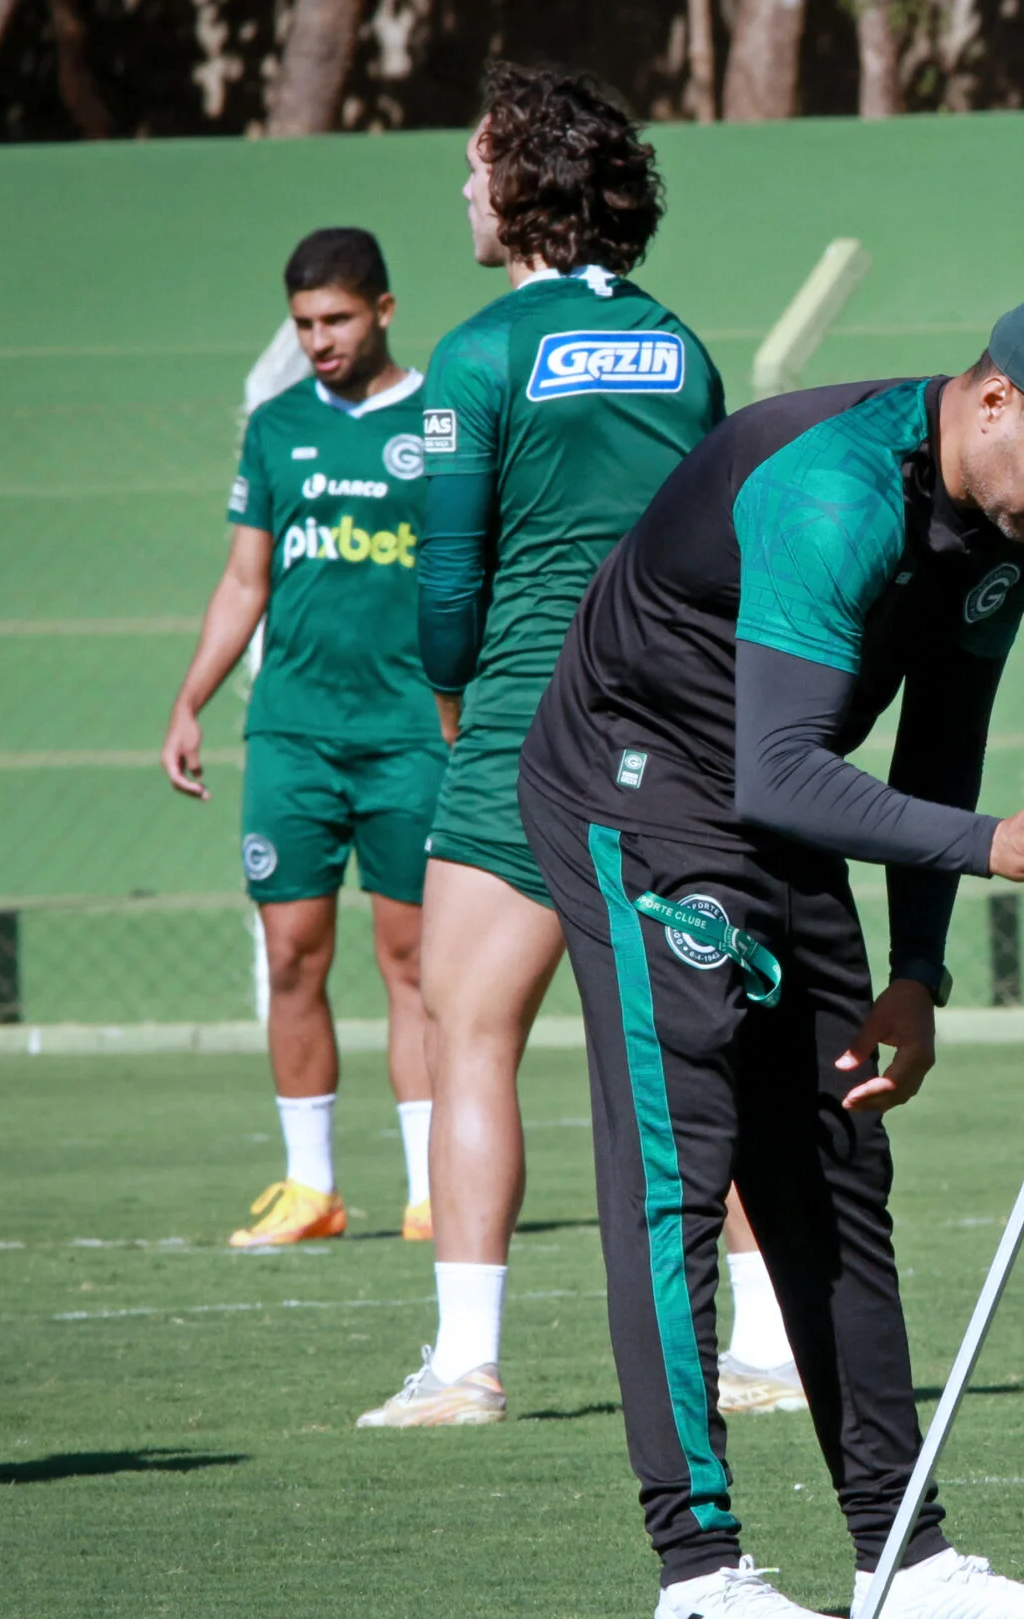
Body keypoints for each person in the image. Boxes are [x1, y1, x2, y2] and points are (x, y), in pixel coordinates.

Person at [515, 284, 1024, 1619]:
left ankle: (904, 1551)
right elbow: (774, 774)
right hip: (640, 796)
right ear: (996, 401)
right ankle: (697, 1575)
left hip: (784, 801)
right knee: (681, 1170)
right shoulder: (834, 494)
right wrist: (988, 846)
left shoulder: (1009, 517)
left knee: (835, 1159)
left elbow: (940, 738)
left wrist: (919, 970)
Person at [356, 65, 797, 1428]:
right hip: (679, 728)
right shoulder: (681, 346)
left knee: (465, 1026)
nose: (465, 191)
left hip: (524, 729)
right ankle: (772, 1351)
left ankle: (467, 1362)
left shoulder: (479, 357)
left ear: (527, 182)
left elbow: (446, 587)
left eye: (478, 166)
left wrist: (450, 697)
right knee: (696, 1037)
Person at [162, 227, 441, 1250]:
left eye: (336, 319)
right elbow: (247, 580)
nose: (320, 341)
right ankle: (310, 1188)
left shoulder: (439, 422)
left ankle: (430, 1188)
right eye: (304, 325)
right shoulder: (276, 429)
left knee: (411, 959)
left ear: (383, 310)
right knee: (290, 958)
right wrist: (191, 699)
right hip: (293, 736)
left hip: (410, 736)